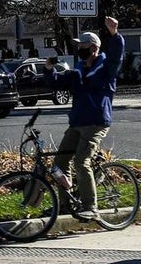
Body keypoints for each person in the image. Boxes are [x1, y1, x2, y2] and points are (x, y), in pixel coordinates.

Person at [46, 16, 123, 220]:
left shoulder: (106, 68)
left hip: (96, 122)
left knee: (81, 161)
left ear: (94, 48)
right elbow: (59, 82)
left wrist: (114, 34)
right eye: (78, 45)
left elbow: (117, 56)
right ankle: (65, 205)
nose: (79, 48)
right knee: (59, 164)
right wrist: (49, 70)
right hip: (77, 122)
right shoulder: (79, 69)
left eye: (83, 45)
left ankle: (91, 207)